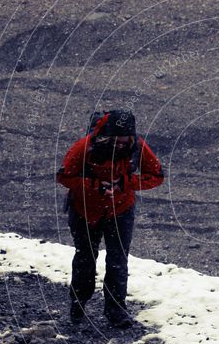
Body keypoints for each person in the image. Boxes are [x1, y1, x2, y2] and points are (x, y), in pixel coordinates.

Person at [56, 109, 164, 327]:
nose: (122, 145)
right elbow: (64, 176)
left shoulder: (136, 146)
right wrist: (95, 187)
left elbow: (156, 175)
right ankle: (78, 304)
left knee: (117, 261)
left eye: (125, 141)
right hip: (84, 211)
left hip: (120, 211)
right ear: (107, 136)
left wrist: (125, 184)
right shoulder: (84, 147)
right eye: (117, 141)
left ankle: (116, 311)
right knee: (85, 258)